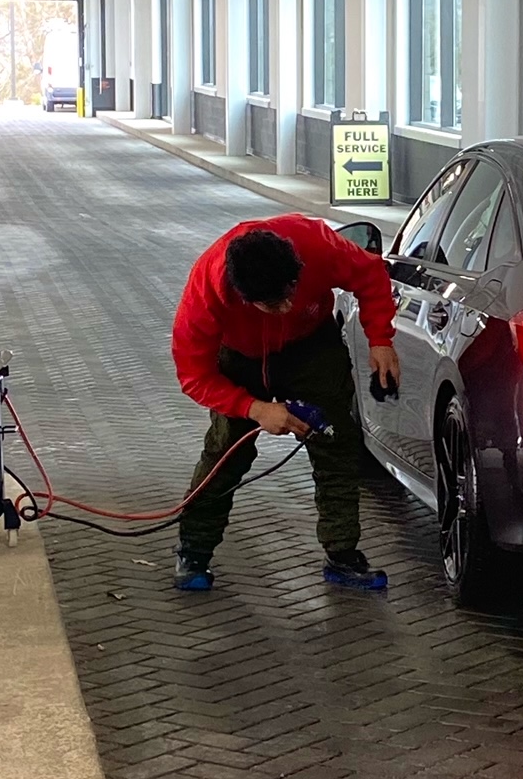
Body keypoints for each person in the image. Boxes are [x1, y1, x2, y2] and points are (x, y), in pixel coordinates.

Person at [170, 214, 399, 591]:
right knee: (225, 454)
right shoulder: (206, 295)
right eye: (272, 304)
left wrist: (380, 338)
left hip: (311, 346)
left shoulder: (317, 244)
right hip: (239, 360)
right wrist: (253, 408)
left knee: (336, 446)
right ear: (242, 295)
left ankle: (342, 555)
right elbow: (193, 375)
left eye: (291, 292)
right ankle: (193, 552)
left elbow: (371, 274)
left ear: (298, 269)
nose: (286, 306)